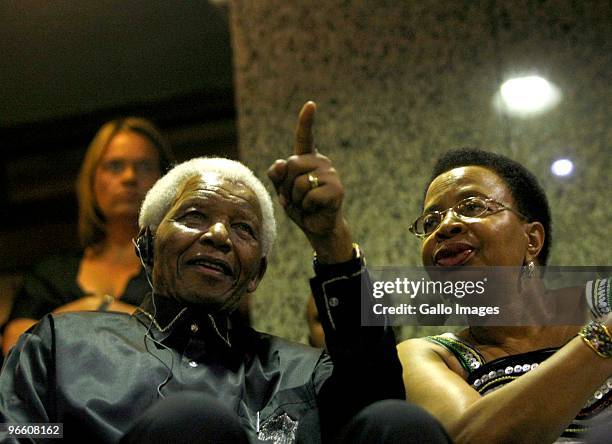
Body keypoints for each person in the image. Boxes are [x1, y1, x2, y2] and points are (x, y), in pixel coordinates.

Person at [0, 102, 450, 443]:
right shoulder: (61, 345)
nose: (218, 235)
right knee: (190, 422)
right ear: (147, 245)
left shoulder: (301, 371)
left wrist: (331, 238)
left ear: (257, 273)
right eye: (194, 216)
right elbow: (22, 435)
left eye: (242, 228)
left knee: (401, 421)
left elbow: (376, 394)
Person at [397, 148, 612, 443]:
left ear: (532, 240)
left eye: (472, 206)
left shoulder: (606, 300)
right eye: (431, 222)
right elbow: (470, 439)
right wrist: (604, 339)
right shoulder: (429, 356)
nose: (445, 226)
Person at [2, 117, 174, 356]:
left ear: (163, 180)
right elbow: (14, 344)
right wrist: (99, 309)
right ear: (92, 181)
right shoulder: (52, 274)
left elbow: (189, 343)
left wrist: (96, 309)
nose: (129, 177)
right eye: (115, 166)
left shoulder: (176, 271)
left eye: (144, 166)